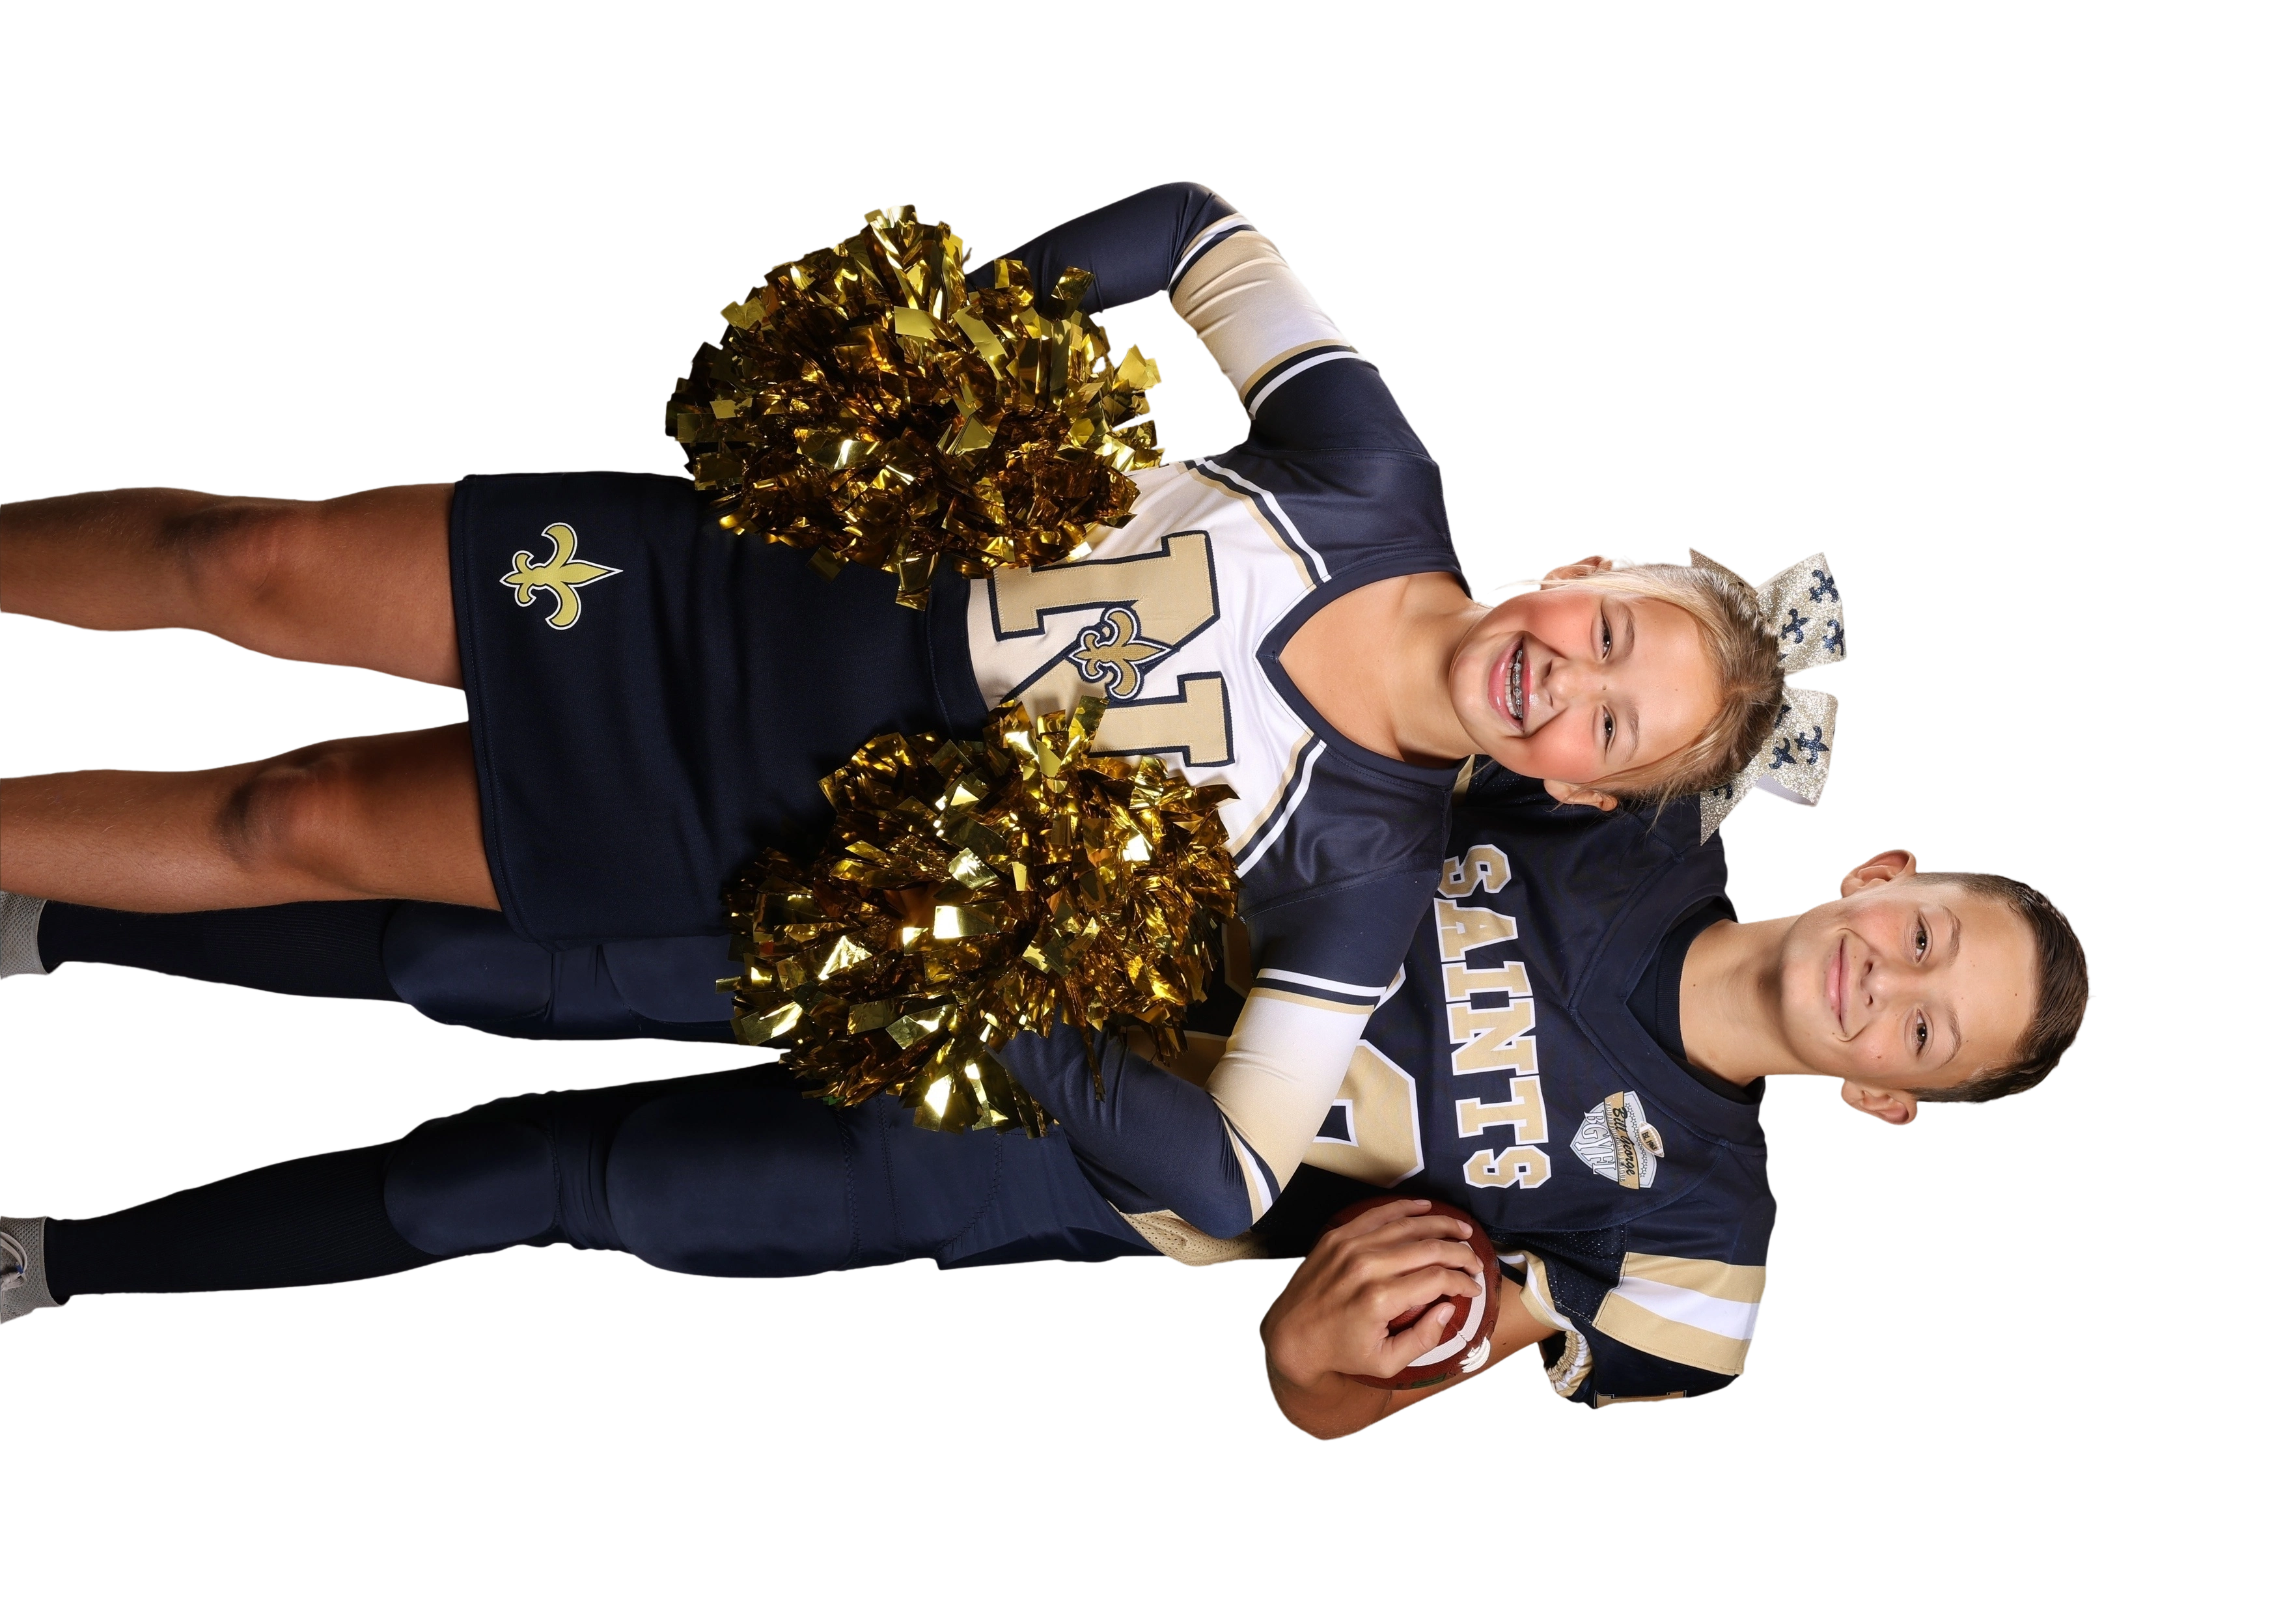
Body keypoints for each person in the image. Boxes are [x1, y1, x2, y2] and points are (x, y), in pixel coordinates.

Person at [0, 182, 1788, 1228]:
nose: (1573, 680)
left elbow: (1237, 1174)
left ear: (1584, 789)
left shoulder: (1370, 876)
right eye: (1615, 631)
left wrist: (993, 1001)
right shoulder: (1375, 471)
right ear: (1590, 571)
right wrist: (957, 347)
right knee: (254, 561)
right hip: (740, 576)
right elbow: (1199, 231)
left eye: (1613, 727)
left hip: (743, 823)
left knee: (293, 819)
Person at [2, 768, 2095, 1440]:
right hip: (1011, 922)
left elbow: (1332, 1393)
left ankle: (60, 1263)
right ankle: (57, 925)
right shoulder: (1638, 803)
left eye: (1930, 1034)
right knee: (504, 962)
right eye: (1926, 939)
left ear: (1893, 1108)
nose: (1890, 986)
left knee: (542, 1173)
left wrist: (1314, 1361)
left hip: (1039, 1158)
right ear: (1882, 876)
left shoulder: (1696, 1255)